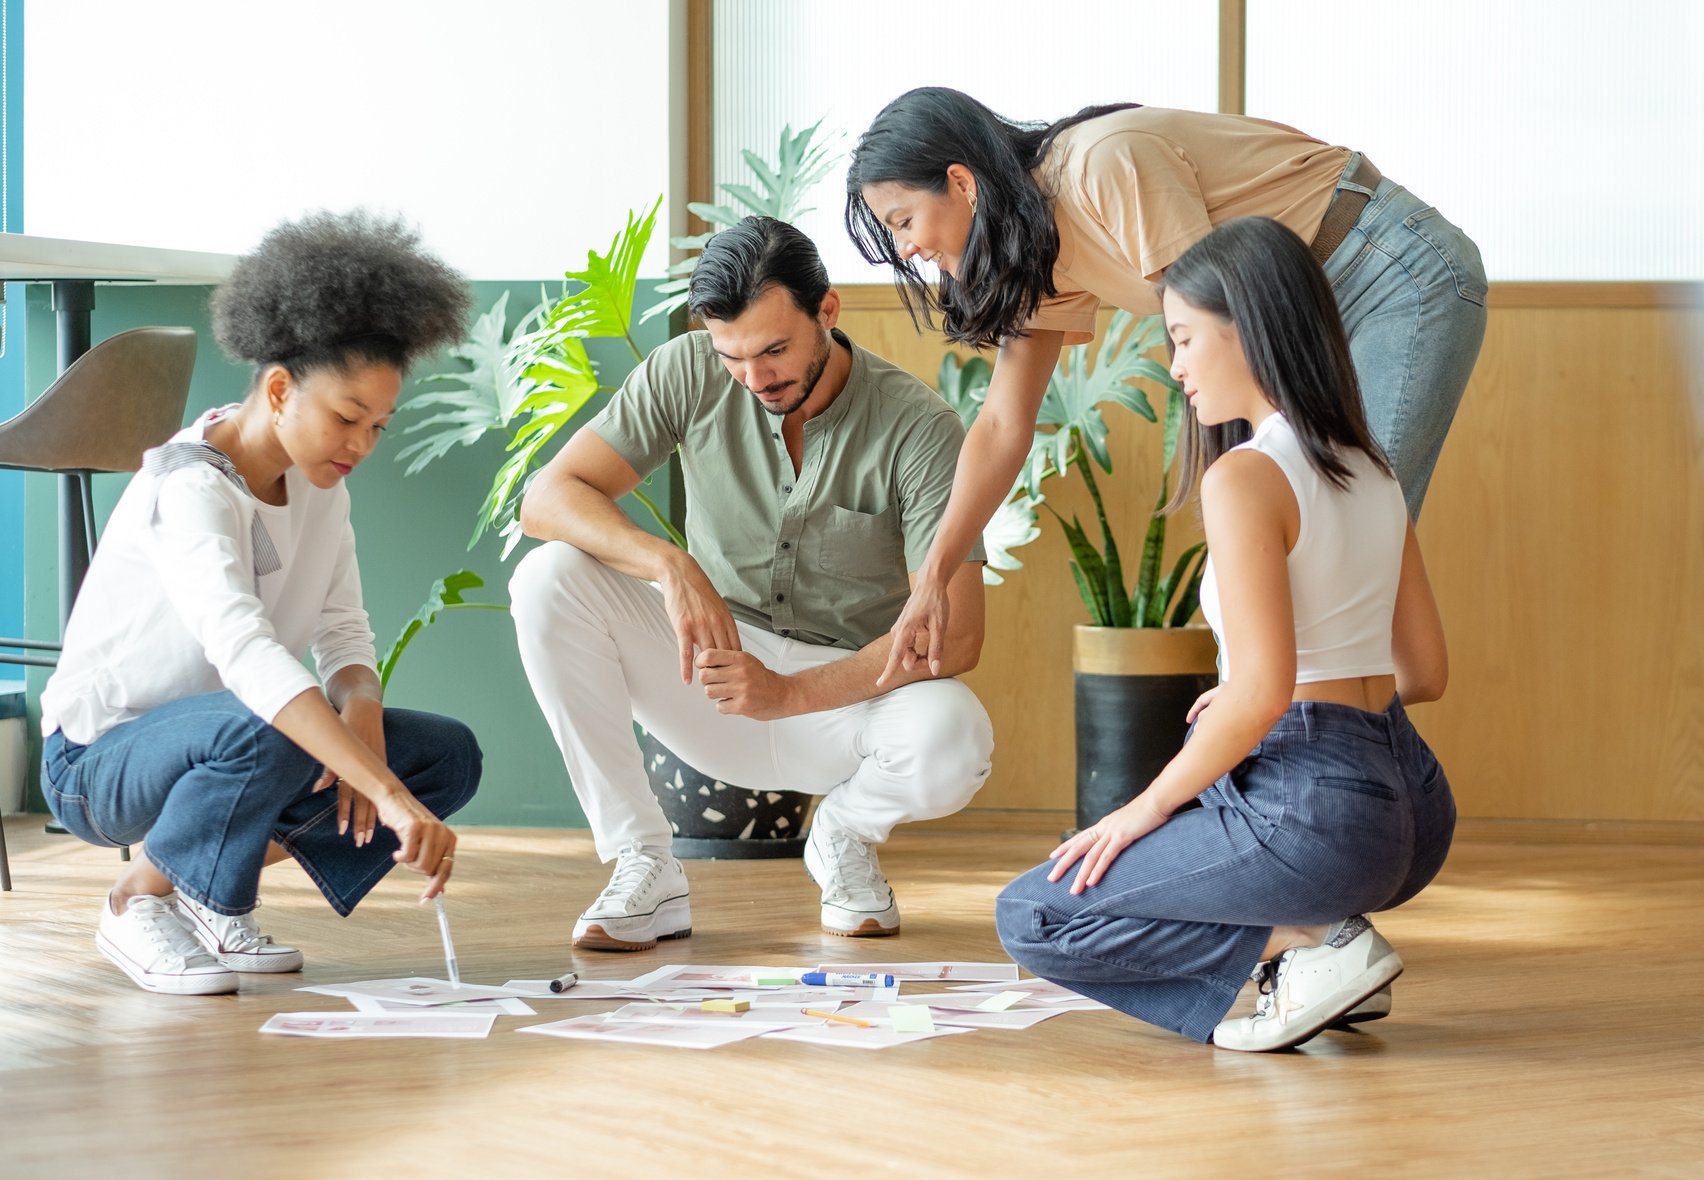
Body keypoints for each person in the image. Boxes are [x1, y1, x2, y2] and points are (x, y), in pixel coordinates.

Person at [994, 217, 1456, 1051]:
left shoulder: (1246, 475)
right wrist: (1259, 689)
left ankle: (1314, 944)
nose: (1173, 368)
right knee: (1218, 739)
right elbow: (1421, 671)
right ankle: (1315, 960)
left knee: (1032, 914)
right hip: (1410, 814)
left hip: (1320, 818)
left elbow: (1263, 694)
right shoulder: (1370, 467)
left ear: (1244, 327)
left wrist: (1134, 813)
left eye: (1181, 338)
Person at [846, 88, 1486, 682]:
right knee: (1312, 559)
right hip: (1296, 320)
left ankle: (1346, 756)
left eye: (903, 222)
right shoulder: (1035, 247)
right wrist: (932, 578)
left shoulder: (1102, 164)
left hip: (1386, 273)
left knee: (1346, 542)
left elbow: (1218, 331)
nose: (904, 249)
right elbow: (1003, 423)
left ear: (961, 182)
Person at [511, 215, 993, 948]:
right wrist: (670, 564)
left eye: (774, 349)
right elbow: (546, 499)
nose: (755, 378)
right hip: (712, 681)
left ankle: (841, 835)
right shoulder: (686, 370)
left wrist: (792, 693)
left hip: (846, 704)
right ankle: (644, 861)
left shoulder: (918, 427)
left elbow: (955, 636)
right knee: (548, 578)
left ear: (826, 312)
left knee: (955, 733)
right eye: (732, 356)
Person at [40, 211, 484, 996]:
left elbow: (344, 632)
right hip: (97, 762)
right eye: (346, 418)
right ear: (278, 389)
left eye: (378, 425)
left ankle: (199, 887)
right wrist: (380, 792)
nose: (361, 445)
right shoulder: (189, 486)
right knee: (273, 718)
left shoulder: (320, 486)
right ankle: (137, 898)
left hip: (231, 744)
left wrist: (368, 732)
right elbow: (246, 655)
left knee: (442, 755)